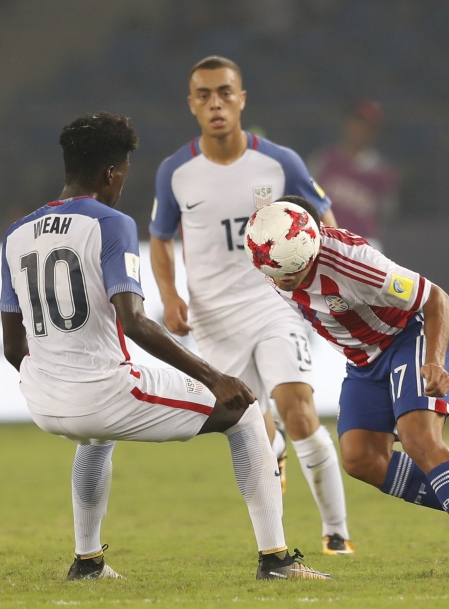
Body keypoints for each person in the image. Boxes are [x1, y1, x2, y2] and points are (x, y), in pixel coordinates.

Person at [0, 112, 330, 581]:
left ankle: (88, 562)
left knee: (95, 439)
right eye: (123, 175)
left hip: (41, 399)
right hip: (100, 393)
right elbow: (133, 321)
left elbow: (14, 347)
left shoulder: (17, 233)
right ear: (111, 173)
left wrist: (55, 379)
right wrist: (214, 377)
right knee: (245, 411)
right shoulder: (110, 223)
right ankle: (275, 561)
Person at [245, 195, 449, 576]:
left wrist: (433, 360)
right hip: (363, 360)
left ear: (310, 248)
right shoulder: (271, 253)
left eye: (292, 273)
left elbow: (435, 299)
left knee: (419, 439)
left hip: (407, 337)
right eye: (276, 275)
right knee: (361, 459)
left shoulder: (354, 262)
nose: (283, 281)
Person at [149, 56, 354, 555]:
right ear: (192, 104)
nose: (216, 103)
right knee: (254, 426)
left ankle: (336, 534)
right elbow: (159, 238)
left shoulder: (280, 163)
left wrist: (331, 278)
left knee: (298, 408)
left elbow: (322, 219)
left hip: (275, 303)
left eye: (225, 92)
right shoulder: (176, 172)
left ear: (242, 99)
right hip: (214, 320)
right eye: (204, 95)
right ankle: (275, 461)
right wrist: (171, 295)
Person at [309, 99, 398, 243]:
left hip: (364, 243)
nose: (357, 128)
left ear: (372, 131)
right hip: (326, 240)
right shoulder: (325, 160)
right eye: (355, 122)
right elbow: (305, 197)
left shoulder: (381, 172)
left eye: (364, 125)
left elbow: (387, 213)